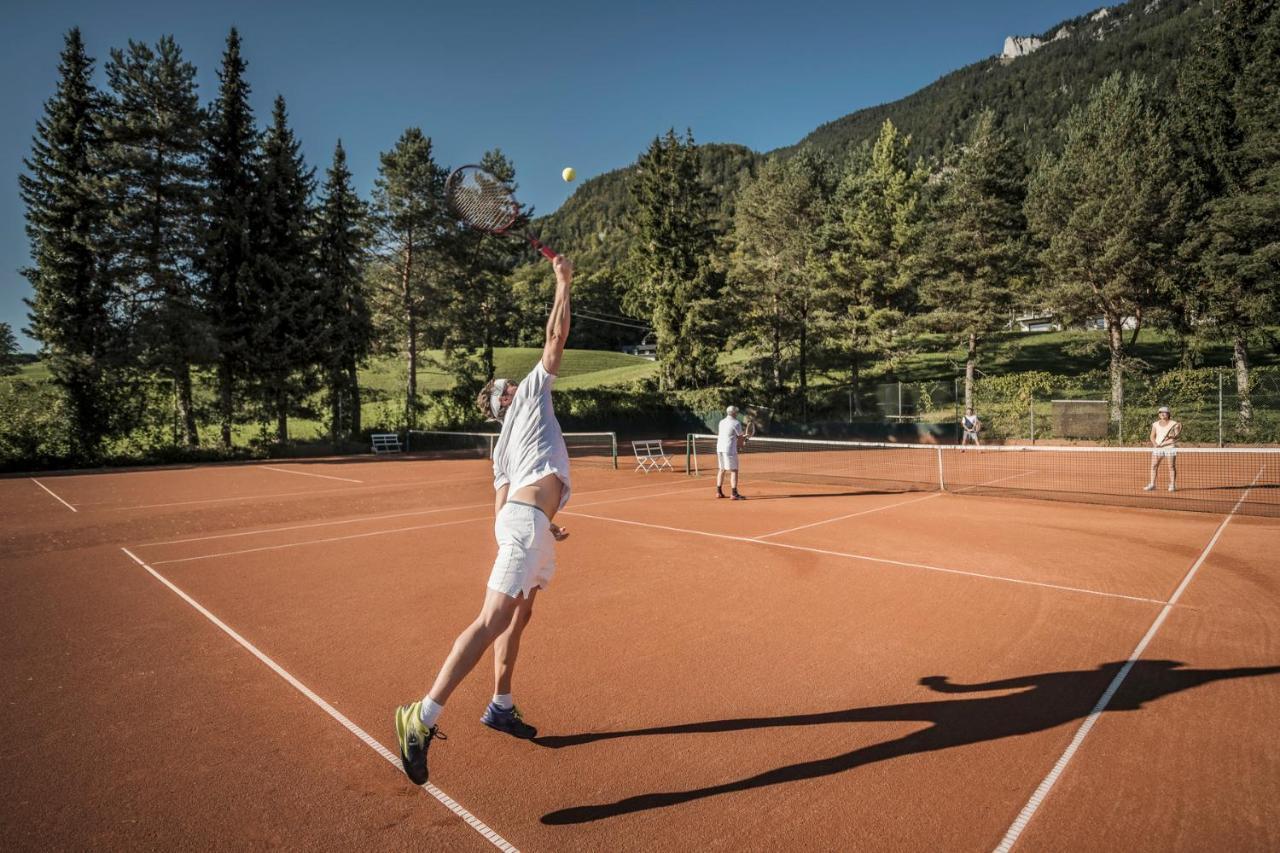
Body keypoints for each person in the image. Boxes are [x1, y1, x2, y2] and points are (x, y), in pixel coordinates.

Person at [394, 255, 575, 786]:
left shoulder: (503, 448)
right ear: (503, 401)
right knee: (493, 619)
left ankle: (500, 703)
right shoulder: (531, 399)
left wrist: (539, 522)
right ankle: (421, 715)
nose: (514, 384)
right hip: (525, 525)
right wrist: (562, 283)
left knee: (520, 617)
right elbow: (555, 336)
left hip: (527, 524)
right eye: (507, 386)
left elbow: (500, 505)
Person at [1144, 405, 1181, 492]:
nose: (1162, 414)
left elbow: (1175, 438)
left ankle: (1172, 485)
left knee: (1171, 466)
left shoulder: (1174, 424)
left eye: (1164, 412)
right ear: (1159, 414)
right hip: (1158, 448)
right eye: (1160, 412)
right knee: (1154, 465)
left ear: (1168, 414)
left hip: (1170, 448)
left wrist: (1165, 443)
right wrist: (1155, 444)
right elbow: (1152, 436)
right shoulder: (1155, 424)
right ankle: (1152, 484)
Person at [715, 405, 747, 500]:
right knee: (734, 470)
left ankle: (718, 492)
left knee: (721, 469)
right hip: (729, 450)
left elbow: (731, 435)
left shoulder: (721, 422)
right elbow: (740, 438)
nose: (737, 413)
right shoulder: (736, 423)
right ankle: (734, 493)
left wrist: (741, 440)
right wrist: (741, 445)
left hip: (719, 448)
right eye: (736, 412)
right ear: (733, 413)